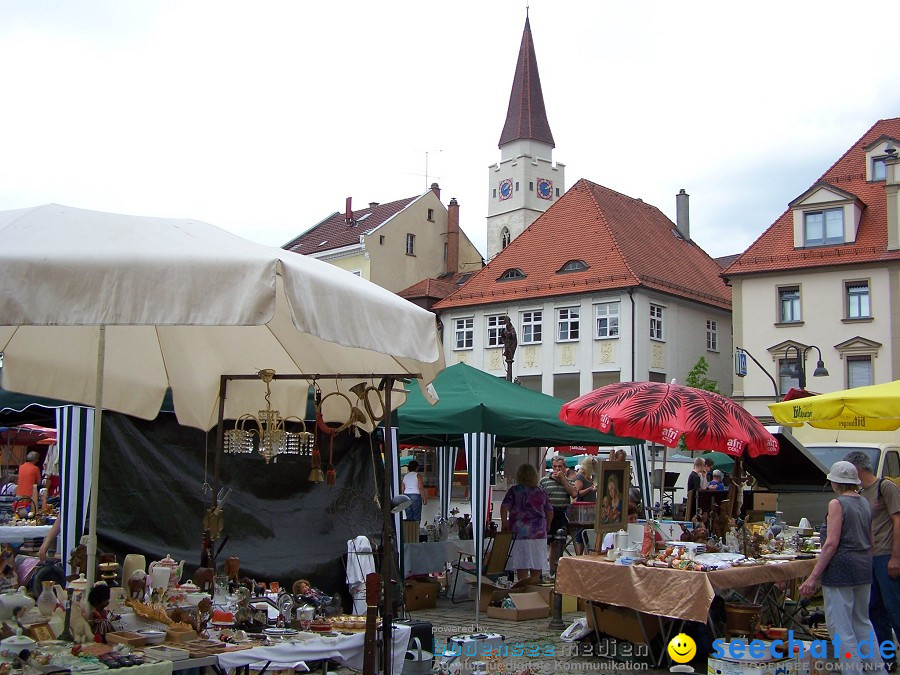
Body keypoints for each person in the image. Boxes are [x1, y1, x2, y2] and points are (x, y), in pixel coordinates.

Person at [799, 461, 882, 672]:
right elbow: (872, 540)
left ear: (835, 482)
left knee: (841, 629)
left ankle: (852, 670)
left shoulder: (837, 504)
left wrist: (812, 577)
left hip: (841, 569)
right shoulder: (864, 502)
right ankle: (877, 670)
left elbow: (831, 543)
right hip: (863, 566)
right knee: (862, 623)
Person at [843, 451, 900, 671]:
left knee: (894, 607)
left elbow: (898, 521)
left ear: (856, 469)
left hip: (886, 555)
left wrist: (896, 557)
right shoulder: (861, 493)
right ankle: (887, 657)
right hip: (868, 558)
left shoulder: (885, 488)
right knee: (874, 610)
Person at [501, 463, 553, 582]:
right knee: (537, 562)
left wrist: (504, 523)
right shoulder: (541, 492)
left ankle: (522, 586)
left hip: (519, 533)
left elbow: (504, 507)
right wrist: (548, 524)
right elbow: (550, 511)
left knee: (522, 562)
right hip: (538, 532)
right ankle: (533, 588)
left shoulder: (514, 491)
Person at [539, 456, 577, 578]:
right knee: (544, 543)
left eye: (560, 467)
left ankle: (555, 572)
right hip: (547, 514)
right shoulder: (544, 481)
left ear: (565, 468)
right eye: (555, 466)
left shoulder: (569, 481)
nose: (557, 469)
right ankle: (543, 571)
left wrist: (563, 480)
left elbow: (574, 494)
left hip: (561, 513)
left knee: (558, 543)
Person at [572, 457, 599, 554]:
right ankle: (579, 554)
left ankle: (585, 553)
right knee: (581, 533)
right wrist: (590, 489)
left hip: (590, 509)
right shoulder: (580, 477)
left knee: (588, 534)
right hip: (582, 509)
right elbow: (577, 492)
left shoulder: (589, 477)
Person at [14, 451, 41, 517]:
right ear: (35, 460)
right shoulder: (35, 468)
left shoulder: (21, 467)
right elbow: (39, 482)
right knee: (31, 514)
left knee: (19, 513)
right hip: (30, 494)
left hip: (19, 493)